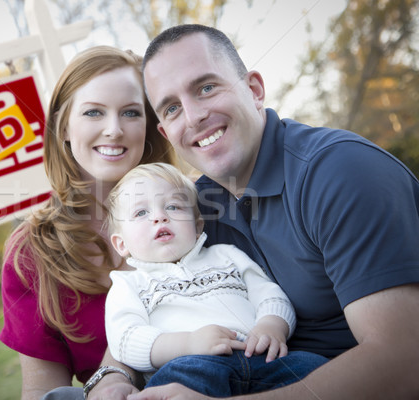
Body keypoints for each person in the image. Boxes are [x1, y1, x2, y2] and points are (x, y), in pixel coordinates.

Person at [122, 23, 419, 400]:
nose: (193, 116)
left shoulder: (341, 172)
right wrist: (112, 374)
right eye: (173, 107)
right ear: (166, 132)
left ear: (254, 89)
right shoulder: (197, 211)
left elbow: (405, 363)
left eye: (206, 88)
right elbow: (144, 291)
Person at [0, 46, 175, 400]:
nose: (114, 130)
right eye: (94, 112)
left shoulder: (192, 208)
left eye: (130, 112)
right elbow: (43, 390)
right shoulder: (31, 253)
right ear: (63, 126)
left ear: (148, 125)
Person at [104, 162, 327, 397]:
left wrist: (272, 325)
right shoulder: (128, 284)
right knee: (168, 387)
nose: (159, 217)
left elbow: (269, 293)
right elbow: (125, 339)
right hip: (189, 365)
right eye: (141, 213)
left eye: (173, 207)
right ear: (121, 244)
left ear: (198, 226)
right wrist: (188, 343)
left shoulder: (227, 254)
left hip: (260, 355)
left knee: (314, 367)